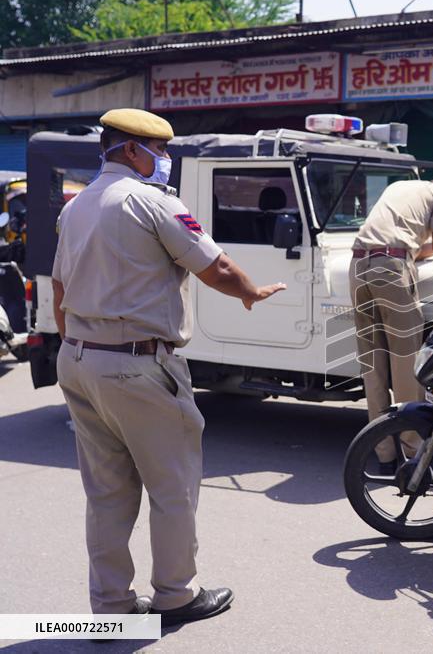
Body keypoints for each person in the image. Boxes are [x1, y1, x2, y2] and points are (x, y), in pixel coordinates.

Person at [53, 108, 286, 623]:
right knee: (173, 484)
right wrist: (250, 292)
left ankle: (111, 607)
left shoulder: (76, 207)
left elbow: (60, 291)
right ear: (131, 151)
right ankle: (177, 595)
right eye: (159, 150)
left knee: (107, 492)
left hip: (80, 358)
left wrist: (81, 352)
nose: (165, 160)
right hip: (138, 364)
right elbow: (216, 266)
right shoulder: (153, 202)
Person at [349, 179, 433, 426]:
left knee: (373, 366)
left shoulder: (397, 188)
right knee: (405, 362)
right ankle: (411, 447)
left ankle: (384, 455)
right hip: (391, 268)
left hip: (358, 264)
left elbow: (414, 247)